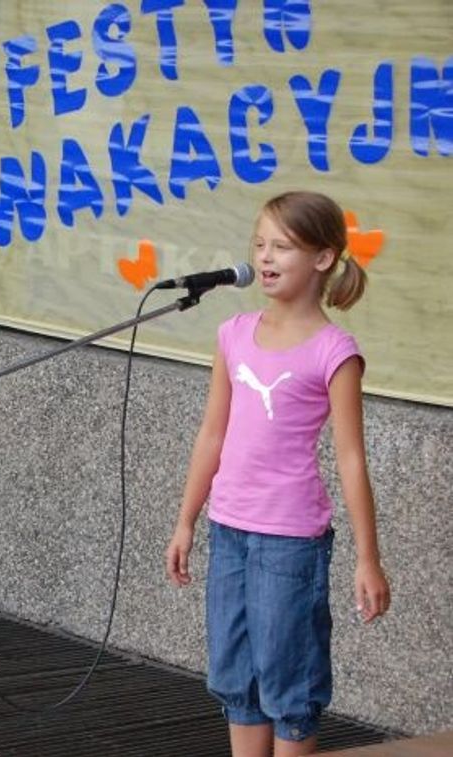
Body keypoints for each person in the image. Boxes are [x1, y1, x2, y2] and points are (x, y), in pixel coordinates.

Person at [164, 191, 391, 757]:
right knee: (235, 677)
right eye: (260, 244)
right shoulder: (235, 333)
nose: (265, 257)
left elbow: (350, 458)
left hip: (291, 541)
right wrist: (187, 519)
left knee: (288, 682)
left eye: (282, 247)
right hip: (229, 529)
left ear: (322, 258)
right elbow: (212, 433)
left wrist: (368, 558)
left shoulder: (334, 351)